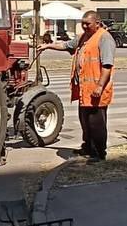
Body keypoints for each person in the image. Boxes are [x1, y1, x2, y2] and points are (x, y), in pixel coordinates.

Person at [41, 11, 115, 160]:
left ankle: (99, 153)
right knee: (85, 122)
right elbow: (66, 45)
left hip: (96, 90)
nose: (85, 26)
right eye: (83, 23)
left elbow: (107, 65)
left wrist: (100, 86)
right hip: (84, 91)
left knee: (97, 124)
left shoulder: (104, 38)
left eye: (88, 24)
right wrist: (48, 46)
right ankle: (87, 147)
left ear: (97, 23)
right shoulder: (83, 37)